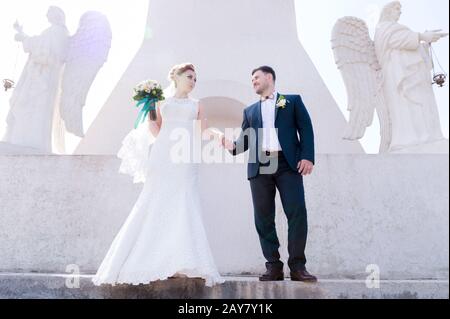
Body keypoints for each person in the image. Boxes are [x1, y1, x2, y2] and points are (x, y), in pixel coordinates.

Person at [92, 63, 225, 287]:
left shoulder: (197, 105)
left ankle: (182, 260)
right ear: (177, 77)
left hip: (186, 157)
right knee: (156, 201)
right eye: (190, 77)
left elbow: (204, 129)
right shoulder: (159, 101)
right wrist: (166, 141)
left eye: (195, 79)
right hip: (164, 156)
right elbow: (154, 125)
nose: (193, 81)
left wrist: (218, 134)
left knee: (184, 201)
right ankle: (149, 261)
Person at [222, 66, 317, 282]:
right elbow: (242, 142)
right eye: (252, 79)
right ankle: (273, 266)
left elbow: (306, 128)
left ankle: (297, 267)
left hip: (287, 163)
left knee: (297, 213)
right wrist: (229, 145)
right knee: (263, 218)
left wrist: (307, 156)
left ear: (269, 77)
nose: (253, 81)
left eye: (256, 77)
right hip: (260, 165)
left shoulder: (291, 101)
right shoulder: (250, 111)